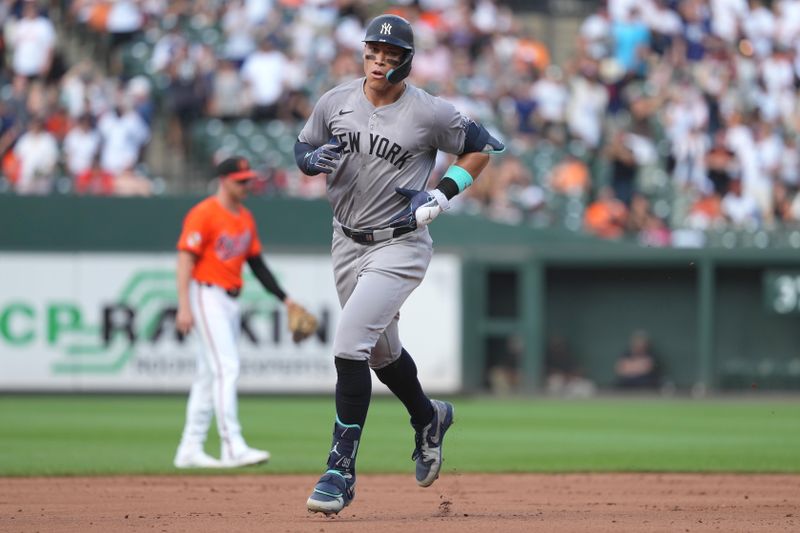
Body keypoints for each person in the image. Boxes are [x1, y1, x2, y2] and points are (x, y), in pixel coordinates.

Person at [294, 14, 504, 515]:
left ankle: (338, 470)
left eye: (390, 54)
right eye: (373, 50)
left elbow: (483, 147)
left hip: (400, 243)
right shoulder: (336, 100)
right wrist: (308, 159)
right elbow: (304, 145)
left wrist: (442, 192)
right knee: (380, 355)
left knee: (348, 345)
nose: (379, 60)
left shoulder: (428, 111)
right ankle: (428, 418)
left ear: (407, 60)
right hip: (345, 239)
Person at [173, 156, 304, 468]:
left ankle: (189, 448)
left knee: (209, 374)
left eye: (249, 179)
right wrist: (183, 305)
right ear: (224, 180)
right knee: (227, 368)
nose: (247, 185)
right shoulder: (204, 213)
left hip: (231, 300)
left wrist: (284, 299)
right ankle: (232, 445)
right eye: (241, 180)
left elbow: (256, 264)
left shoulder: (245, 218)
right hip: (207, 295)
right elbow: (185, 260)